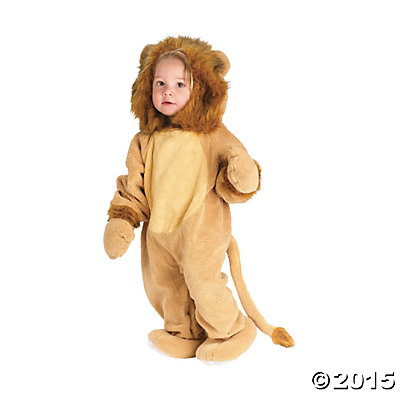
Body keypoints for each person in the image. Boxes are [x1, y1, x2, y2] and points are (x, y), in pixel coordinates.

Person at [104, 37, 293, 362]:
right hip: (160, 234)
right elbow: (134, 186)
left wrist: (242, 173)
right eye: (160, 83)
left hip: (202, 231)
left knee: (201, 280)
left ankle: (232, 330)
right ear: (147, 86)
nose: (168, 91)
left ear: (201, 89)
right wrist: (122, 219)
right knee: (167, 284)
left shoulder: (213, 135)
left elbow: (235, 175)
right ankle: (184, 332)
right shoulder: (144, 141)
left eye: (180, 84)